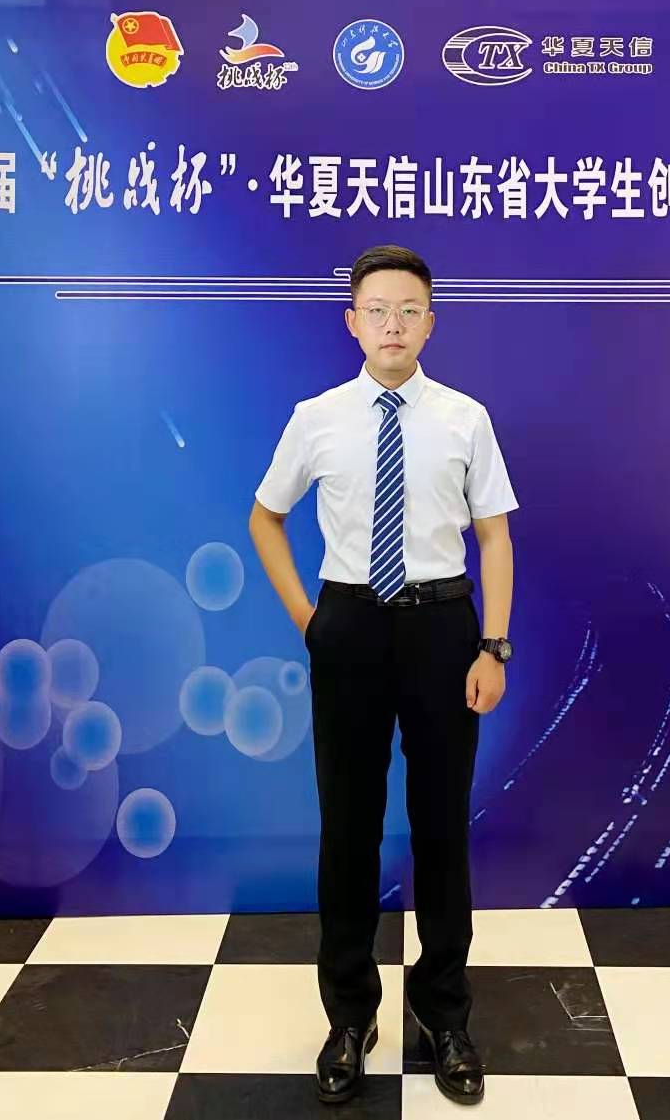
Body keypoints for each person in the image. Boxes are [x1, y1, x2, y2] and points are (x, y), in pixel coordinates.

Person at [249, 244, 517, 1106]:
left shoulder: (465, 418)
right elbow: (265, 516)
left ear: (430, 323)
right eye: (377, 310)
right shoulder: (318, 417)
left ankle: (445, 1016)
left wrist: (494, 646)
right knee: (348, 830)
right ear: (352, 321)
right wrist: (311, 618)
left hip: (445, 631)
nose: (392, 324)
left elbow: (494, 536)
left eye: (408, 310)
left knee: (441, 830)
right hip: (351, 628)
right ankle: (349, 1016)